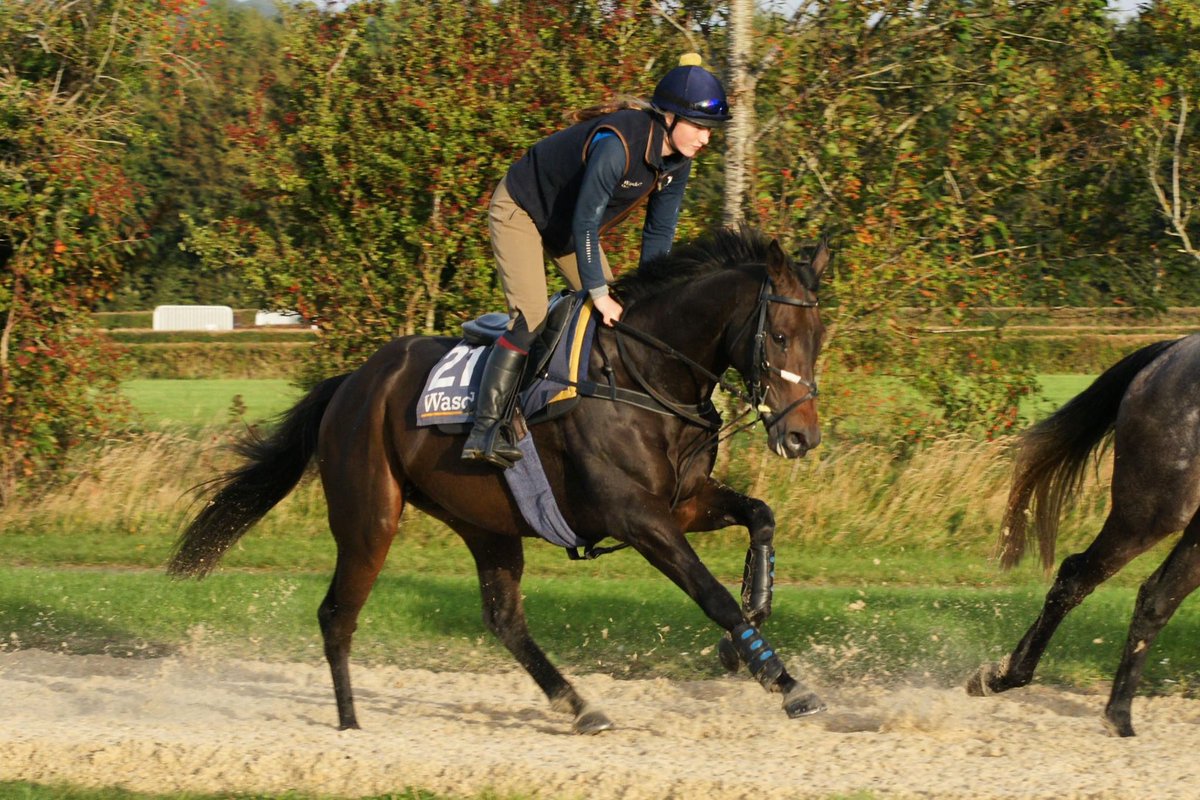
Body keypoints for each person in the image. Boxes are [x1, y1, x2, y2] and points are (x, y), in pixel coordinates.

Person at [462, 53, 731, 469]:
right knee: (533, 315)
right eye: (699, 127)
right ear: (669, 119)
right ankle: (486, 428)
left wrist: (651, 296)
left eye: (710, 130)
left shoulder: (678, 163)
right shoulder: (617, 145)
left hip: (567, 228)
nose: (705, 139)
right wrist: (599, 292)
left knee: (621, 314)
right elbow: (587, 220)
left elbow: (658, 235)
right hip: (521, 208)